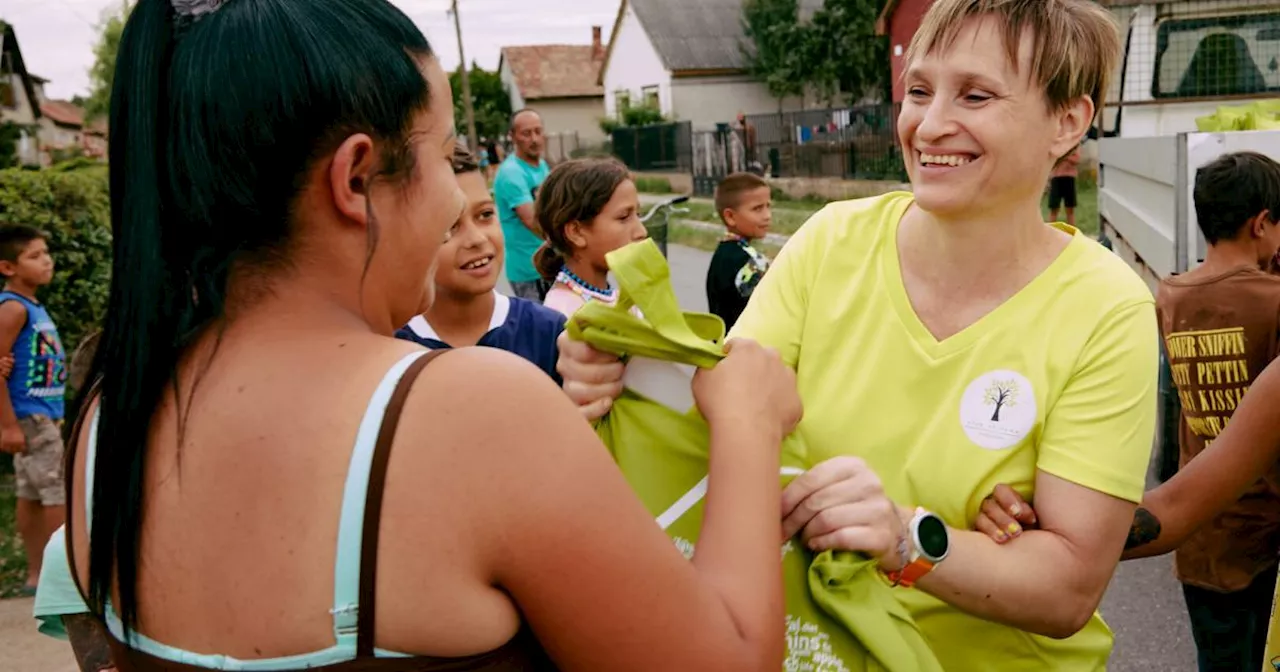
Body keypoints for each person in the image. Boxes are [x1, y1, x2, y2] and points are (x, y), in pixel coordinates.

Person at [59, 2, 803, 672]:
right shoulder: (467, 413)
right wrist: (746, 421)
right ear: (354, 179)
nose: (457, 194)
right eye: (447, 157)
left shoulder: (108, 418)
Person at [555, 0, 1159, 668]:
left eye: (976, 95)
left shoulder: (1107, 308)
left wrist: (910, 537)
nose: (929, 126)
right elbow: (726, 416)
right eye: (919, 91)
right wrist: (616, 365)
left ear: (1067, 121)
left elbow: (1066, 588)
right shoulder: (831, 240)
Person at [978, 151, 1280, 672]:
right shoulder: (1272, 301)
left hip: (1202, 543)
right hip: (1261, 535)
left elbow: (1171, 421)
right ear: (1261, 223)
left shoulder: (1169, 296)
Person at [396, 146, 567, 383]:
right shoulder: (393, 353)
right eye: (450, 224)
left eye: (485, 214)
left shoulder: (550, 333)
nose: (477, 239)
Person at [0, 224, 67, 597]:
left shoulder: (31, 307)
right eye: (34, 255)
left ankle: (38, 576)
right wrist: (8, 426)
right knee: (56, 491)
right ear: (8, 267)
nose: (47, 261)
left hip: (39, 414)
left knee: (32, 493)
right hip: (31, 417)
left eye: (46, 253)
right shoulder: (12, 309)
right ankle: (64, 579)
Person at [535, 158, 648, 318]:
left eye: (638, 215)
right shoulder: (562, 314)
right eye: (623, 217)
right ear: (576, 232)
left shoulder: (618, 298)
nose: (641, 231)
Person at [494, 109, 551, 302]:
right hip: (527, 271)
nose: (534, 139)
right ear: (513, 136)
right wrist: (570, 245)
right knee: (542, 330)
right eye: (526, 133)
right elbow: (532, 220)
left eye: (538, 131)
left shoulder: (541, 166)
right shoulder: (512, 173)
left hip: (548, 264)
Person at [706, 173, 772, 330]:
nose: (767, 216)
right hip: (748, 347)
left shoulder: (724, 252)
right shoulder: (748, 261)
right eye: (757, 209)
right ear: (730, 217)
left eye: (768, 206)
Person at [1047, 146, 1081, 227]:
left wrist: (1064, 156)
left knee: (1070, 208)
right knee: (1054, 208)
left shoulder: (1074, 145)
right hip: (1056, 178)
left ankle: (1072, 232)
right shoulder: (1055, 144)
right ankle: (1051, 231)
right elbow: (1052, 159)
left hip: (1069, 178)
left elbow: (1077, 160)